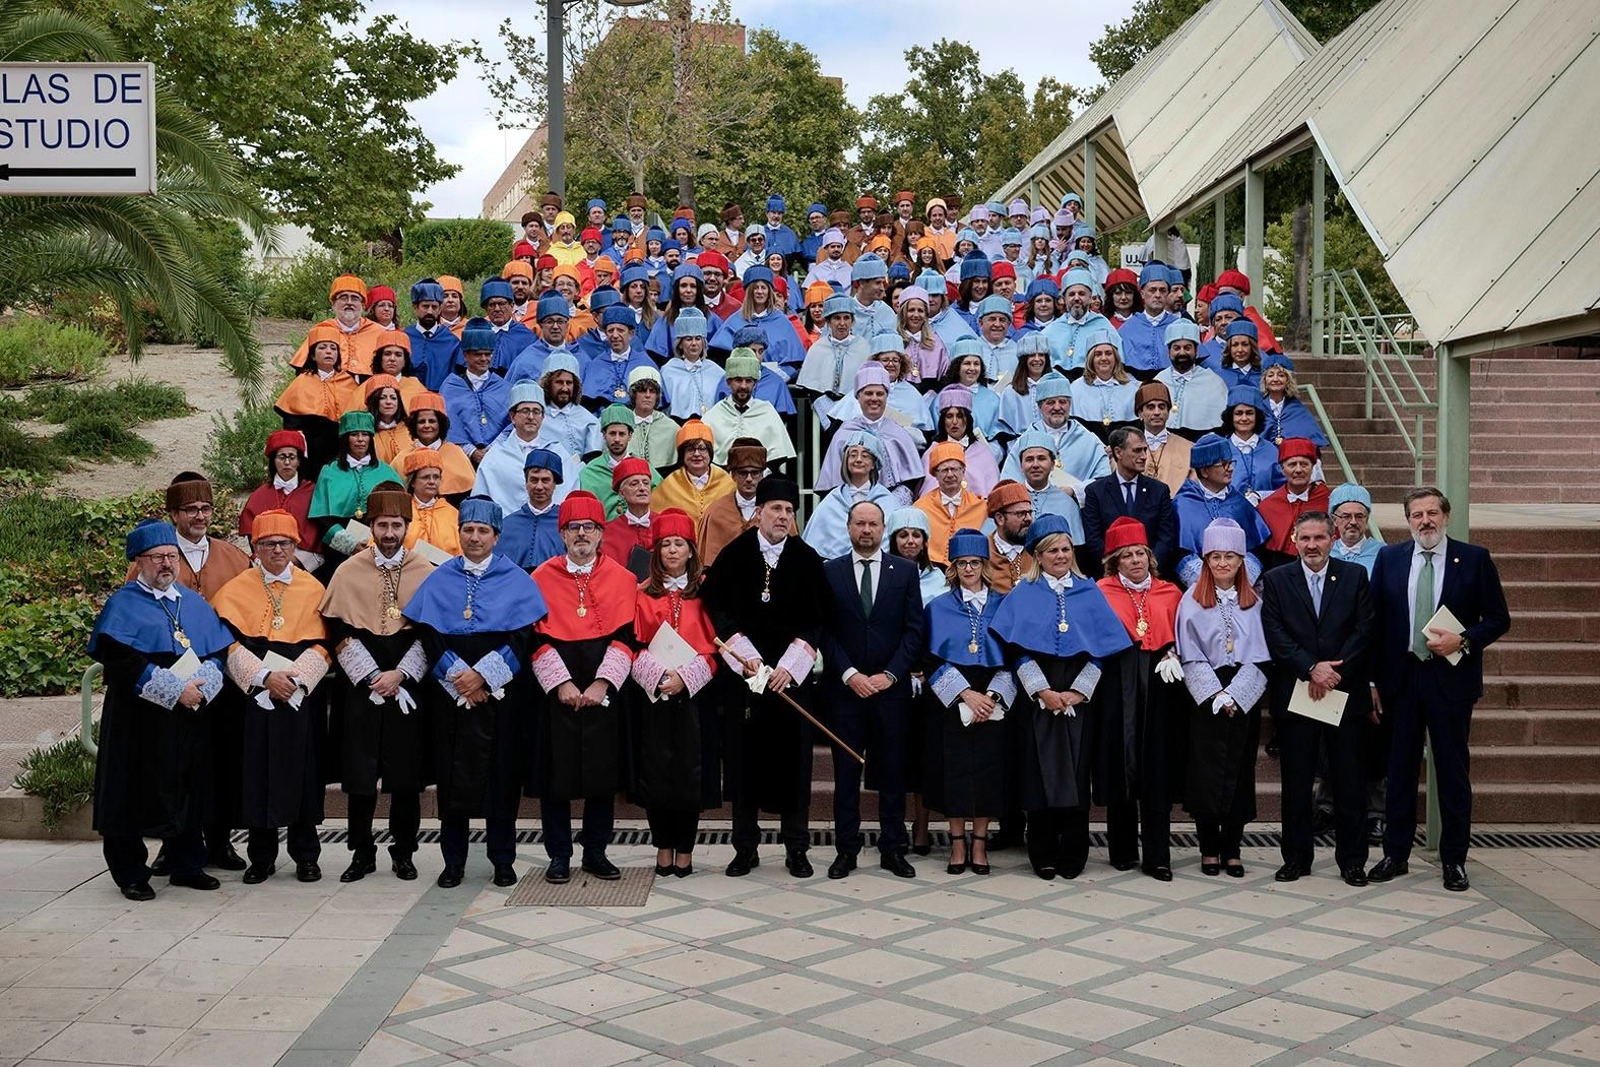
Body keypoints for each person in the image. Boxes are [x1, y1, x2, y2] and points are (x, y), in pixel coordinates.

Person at [1368, 488, 1510, 892]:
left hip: (1450, 680)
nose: (1425, 521)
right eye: (1417, 515)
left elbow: (1499, 618)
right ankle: (1395, 854)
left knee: (1451, 771)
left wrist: (1462, 641)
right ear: (1408, 520)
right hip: (1402, 679)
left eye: (1432, 513)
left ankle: (1454, 860)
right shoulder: (1390, 558)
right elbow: (1376, 623)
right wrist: (1375, 681)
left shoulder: (1475, 559)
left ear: (1446, 516)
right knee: (1398, 772)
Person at [405, 497, 548, 887]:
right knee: (453, 778)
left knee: (502, 776)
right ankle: (454, 862)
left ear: (496, 536)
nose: (475, 537)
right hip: (452, 695)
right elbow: (430, 636)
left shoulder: (516, 579)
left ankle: (502, 859)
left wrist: (484, 677)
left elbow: (521, 639)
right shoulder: (441, 578)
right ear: (459, 533)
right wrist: (458, 677)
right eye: (468, 530)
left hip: (501, 696)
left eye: (483, 531)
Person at [91, 520, 231, 901]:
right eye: (157, 558)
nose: (166, 563)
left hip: (189, 716)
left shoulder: (192, 601)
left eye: (172, 556)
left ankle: (187, 864)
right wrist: (175, 690)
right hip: (139, 719)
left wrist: (204, 681)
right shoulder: (123, 604)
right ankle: (131, 872)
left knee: (190, 786)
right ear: (138, 562)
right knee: (128, 791)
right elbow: (120, 659)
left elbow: (218, 649)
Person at [989, 514, 1130, 879]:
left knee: (1076, 773)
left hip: (1079, 696)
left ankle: (1074, 849)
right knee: (1038, 774)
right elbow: (1014, 649)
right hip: (1037, 694)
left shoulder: (1089, 590)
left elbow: (1102, 649)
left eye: (1066, 548)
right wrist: (1042, 690)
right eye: (1053, 550)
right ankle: (1042, 850)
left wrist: (1078, 692)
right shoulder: (1023, 593)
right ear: (1038, 554)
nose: (1061, 555)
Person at [702, 478, 827, 878]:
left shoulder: (807, 559)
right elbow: (717, 611)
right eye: (776, 509)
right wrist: (751, 662)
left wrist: (789, 667)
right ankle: (745, 848)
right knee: (743, 764)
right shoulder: (733, 556)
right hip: (747, 680)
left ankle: (797, 848)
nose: (783, 517)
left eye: (789, 511)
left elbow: (817, 620)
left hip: (790, 681)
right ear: (758, 513)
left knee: (794, 763)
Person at [318, 487, 436, 883]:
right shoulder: (348, 571)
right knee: (360, 773)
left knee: (406, 774)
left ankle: (404, 851)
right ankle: (360, 851)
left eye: (396, 525)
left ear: (407, 526)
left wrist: (401, 674)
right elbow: (338, 628)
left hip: (408, 681)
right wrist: (372, 676)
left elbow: (431, 632)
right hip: (361, 683)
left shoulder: (425, 570)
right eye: (382, 524)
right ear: (370, 526)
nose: (389, 532)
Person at [211, 510, 332, 884]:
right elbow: (226, 644)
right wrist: (264, 678)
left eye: (285, 543)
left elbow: (325, 643)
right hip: (256, 697)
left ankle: (306, 856)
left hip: (299, 695)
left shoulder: (314, 589)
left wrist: (295, 681)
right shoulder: (234, 589)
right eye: (268, 544)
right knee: (256, 771)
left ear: (296, 546)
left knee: (303, 773)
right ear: (254, 547)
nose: (277, 550)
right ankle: (261, 857)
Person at [527, 491, 637, 884]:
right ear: (561, 534)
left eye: (589, 527)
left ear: (601, 533)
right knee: (557, 778)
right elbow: (535, 639)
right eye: (573, 527)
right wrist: (562, 684)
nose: (581, 534)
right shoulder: (540, 577)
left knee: (601, 776)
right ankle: (559, 855)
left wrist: (603, 684)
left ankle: (596, 851)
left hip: (602, 690)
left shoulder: (623, 580)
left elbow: (627, 637)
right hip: (560, 692)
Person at [1262, 511, 1375, 886]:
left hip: (1344, 692)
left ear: (1334, 538)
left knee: (1349, 781)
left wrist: (1333, 672)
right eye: (1305, 538)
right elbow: (1274, 632)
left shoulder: (1355, 576)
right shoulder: (1277, 580)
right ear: (1295, 540)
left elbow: (1365, 628)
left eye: (1320, 538)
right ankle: (1295, 858)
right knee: (1296, 783)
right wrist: (1311, 668)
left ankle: (1353, 860)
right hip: (1297, 694)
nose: (1312, 545)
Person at [818, 501, 926, 879]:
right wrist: (849, 673)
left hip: (890, 692)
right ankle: (846, 850)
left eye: (874, 524)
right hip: (845, 690)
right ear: (848, 527)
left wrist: (891, 675)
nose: (867, 530)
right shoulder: (829, 571)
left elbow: (914, 632)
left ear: (884, 529)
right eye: (860, 523)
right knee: (845, 773)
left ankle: (893, 848)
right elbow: (825, 632)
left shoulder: (906, 571)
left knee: (893, 772)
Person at [629, 509, 721, 877]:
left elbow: (717, 646)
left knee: (689, 775)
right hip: (652, 696)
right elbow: (631, 644)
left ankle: (685, 849)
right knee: (657, 774)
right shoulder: (640, 594)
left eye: (678, 544)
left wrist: (687, 677)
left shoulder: (706, 591)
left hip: (695, 697)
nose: (671, 551)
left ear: (690, 550)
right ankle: (662, 847)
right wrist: (656, 675)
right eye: (665, 544)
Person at [1176, 518, 1271, 877]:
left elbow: (1260, 655)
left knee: (1239, 770)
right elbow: (1189, 652)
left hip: (1242, 690)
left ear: (1241, 561)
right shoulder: (1192, 600)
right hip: (1206, 692)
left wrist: (1236, 694)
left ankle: (1233, 847)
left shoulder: (1254, 602)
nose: (1223, 564)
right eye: (1215, 557)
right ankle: (1209, 848)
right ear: (1206, 561)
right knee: (1206, 770)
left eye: (1230, 557)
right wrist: (1214, 693)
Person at [1096, 518, 1185, 880]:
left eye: (1140, 554)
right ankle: (1121, 848)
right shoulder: (1100, 591)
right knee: (1121, 760)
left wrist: (1175, 653)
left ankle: (1158, 855)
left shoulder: (1170, 591)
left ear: (1150, 557)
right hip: (1116, 681)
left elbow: (1183, 632)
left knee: (1157, 764)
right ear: (1114, 562)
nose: (1135, 561)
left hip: (1160, 681)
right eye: (1126, 555)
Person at [922, 527, 1013, 875]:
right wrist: (964, 693)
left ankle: (980, 842)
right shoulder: (939, 607)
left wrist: (990, 697)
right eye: (962, 564)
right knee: (954, 770)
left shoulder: (1003, 603)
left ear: (985, 565)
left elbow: (1012, 654)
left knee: (988, 771)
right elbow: (930, 658)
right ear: (954, 568)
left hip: (992, 695)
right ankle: (957, 842)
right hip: (952, 695)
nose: (969, 570)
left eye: (975, 562)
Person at [308, 412, 402, 578]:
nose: (360, 439)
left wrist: (376, 541)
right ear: (345, 439)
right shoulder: (329, 472)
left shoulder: (387, 472)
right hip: (340, 552)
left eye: (365, 434)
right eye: (354, 434)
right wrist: (350, 545)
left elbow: (400, 514)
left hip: (382, 544)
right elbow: (321, 517)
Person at [815, 365, 924, 504]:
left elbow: (912, 480)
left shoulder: (899, 432)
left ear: (886, 397)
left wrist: (892, 502)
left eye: (879, 394)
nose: (874, 398)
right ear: (858, 397)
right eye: (868, 393)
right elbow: (831, 483)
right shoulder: (843, 433)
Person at [1172, 434, 1271, 585]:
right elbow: (1180, 552)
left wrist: (1241, 580)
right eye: (1223, 464)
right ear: (1205, 471)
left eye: (1231, 463)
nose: (1230, 469)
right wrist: (1207, 583)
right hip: (1199, 588)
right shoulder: (1183, 504)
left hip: (1241, 585)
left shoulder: (1238, 501)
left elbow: (1256, 546)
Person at [1082, 426, 1178, 571]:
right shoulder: (1095, 491)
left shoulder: (1159, 490)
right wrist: (1115, 568)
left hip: (1151, 574)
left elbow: (1165, 537)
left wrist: (1148, 568)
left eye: (1145, 450)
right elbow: (1094, 539)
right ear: (1118, 452)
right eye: (1137, 450)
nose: (1144, 456)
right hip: (1110, 575)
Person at [472, 382, 576, 516]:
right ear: (512, 417)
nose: (531, 417)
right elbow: (481, 501)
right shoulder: (495, 456)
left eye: (536, 411)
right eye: (525, 411)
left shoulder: (558, 452)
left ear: (542, 417)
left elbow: (568, 493)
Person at [999, 371, 1111, 493]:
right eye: (1050, 402)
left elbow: (1103, 480)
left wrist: (1074, 491)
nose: (1057, 407)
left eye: (1062, 402)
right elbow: (1009, 483)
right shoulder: (1025, 441)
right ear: (1040, 406)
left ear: (1070, 404)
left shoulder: (1089, 440)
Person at [277, 324, 359, 476]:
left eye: (333, 348)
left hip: (341, 450)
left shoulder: (349, 383)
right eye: (322, 347)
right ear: (313, 355)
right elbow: (291, 424)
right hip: (310, 454)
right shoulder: (301, 382)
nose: (328, 351)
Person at [804, 431, 897, 559]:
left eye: (865, 456)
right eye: (853, 455)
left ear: (874, 464)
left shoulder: (888, 501)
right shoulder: (832, 500)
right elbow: (814, 544)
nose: (858, 460)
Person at [241, 430, 322, 572]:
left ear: (299, 461)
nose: (287, 462)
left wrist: (295, 561)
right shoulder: (259, 495)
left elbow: (318, 534)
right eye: (281, 457)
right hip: (266, 562)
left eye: (292, 457)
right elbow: (251, 535)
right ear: (273, 461)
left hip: (303, 564)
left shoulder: (314, 492)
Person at [703, 349, 797, 465]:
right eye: (738, 380)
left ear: (755, 384)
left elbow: (778, 455)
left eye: (748, 381)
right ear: (728, 382)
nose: (743, 386)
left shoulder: (766, 411)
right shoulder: (714, 415)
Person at [440, 322, 511, 465]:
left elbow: (512, 422)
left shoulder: (504, 387)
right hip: (461, 458)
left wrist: (492, 449)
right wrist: (471, 451)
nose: (484, 359)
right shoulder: (451, 386)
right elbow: (448, 422)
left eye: (488, 354)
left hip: (499, 456)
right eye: (478, 354)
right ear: (466, 355)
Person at [1006, 432, 1087, 551]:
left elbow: (1075, 549)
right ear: (1021, 466)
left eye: (1041, 458)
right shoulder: (1009, 499)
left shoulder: (1066, 503)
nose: (1035, 465)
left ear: (1053, 464)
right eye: (1029, 459)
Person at [1257, 438, 1332, 566]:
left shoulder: (1329, 500)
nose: (1298, 470)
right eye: (1292, 464)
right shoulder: (1267, 506)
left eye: (1304, 464)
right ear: (1282, 469)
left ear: (1313, 467)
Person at [912, 442, 988, 566]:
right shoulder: (920, 508)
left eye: (954, 469)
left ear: (963, 471)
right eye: (944, 470)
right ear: (935, 474)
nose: (950, 474)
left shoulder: (981, 507)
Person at [696, 437, 766, 565]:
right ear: (733, 475)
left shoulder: (776, 511)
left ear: (762, 475)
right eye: (743, 473)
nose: (749, 479)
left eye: (755, 473)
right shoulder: (715, 513)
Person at [1154, 320, 1228, 439]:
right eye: (1177, 348)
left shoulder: (1213, 382)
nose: (1182, 352)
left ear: (1196, 351)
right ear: (1169, 352)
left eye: (1187, 348)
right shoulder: (1158, 381)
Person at [496, 448, 568, 571]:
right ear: (526, 482)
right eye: (534, 480)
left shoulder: (566, 524)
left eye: (545, 480)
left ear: (554, 483)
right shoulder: (506, 525)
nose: (539, 486)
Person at [578, 405, 656, 517]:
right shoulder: (590, 472)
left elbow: (660, 499)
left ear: (630, 436)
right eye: (612, 433)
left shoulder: (644, 467)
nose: (617, 439)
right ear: (604, 435)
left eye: (622, 434)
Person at [924, 385, 1001, 497]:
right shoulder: (932, 452)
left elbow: (992, 492)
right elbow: (928, 491)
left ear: (968, 420)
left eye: (960, 416)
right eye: (949, 416)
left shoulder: (983, 452)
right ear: (943, 420)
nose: (955, 422)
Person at [650, 419, 732, 522]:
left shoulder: (727, 482)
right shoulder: (669, 485)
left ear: (710, 453)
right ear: (682, 455)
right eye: (691, 449)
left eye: (702, 449)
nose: (697, 454)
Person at [1069, 328, 1140, 438]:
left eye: (1108, 353)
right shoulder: (1076, 388)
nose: (1103, 358)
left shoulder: (1132, 388)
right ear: (1091, 359)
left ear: (1116, 358)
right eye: (1098, 354)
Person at [1042, 268, 1112, 376]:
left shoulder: (1104, 326)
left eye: (1081, 293)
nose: (1076, 298)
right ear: (1064, 299)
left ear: (1090, 298)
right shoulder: (1051, 330)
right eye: (1071, 294)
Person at [1116, 263, 1179, 379]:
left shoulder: (1179, 326)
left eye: (1162, 290)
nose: (1157, 295)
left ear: (1168, 294)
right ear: (1142, 294)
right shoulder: (1126, 329)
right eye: (1152, 290)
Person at [1224, 386, 1284, 504]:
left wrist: (1261, 496)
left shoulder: (1272, 451)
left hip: (1265, 514)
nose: (1244, 418)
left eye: (1250, 413)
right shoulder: (1220, 449)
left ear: (1257, 416)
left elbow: (1283, 489)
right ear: (1231, 416)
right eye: (1238, 413)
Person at [601, 457, 657, 575]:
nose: (642, 488)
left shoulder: (663, 524)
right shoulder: (608, 532)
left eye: (646, 483)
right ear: (621, 493)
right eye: (634, 484)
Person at [1136, 382, 1193, 497]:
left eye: (1162, 407)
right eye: (1150, 407)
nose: (1157, 412)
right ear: (1140, 413)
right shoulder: (1128, 447)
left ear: (1168, 412)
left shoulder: (1189, 448)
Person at [405, 279, 463, 392]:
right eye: (425, 306)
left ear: (440, 308)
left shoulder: (451, 342)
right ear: (415, 307)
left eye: (434, 307)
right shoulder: (405, 337)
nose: (430, 312)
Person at [1259, 354, 1329, 446]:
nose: (1275, 379)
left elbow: (1310, 443)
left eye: (1281, 375)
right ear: (1265, 380)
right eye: (1270, 375)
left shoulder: (1298, 410)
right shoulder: (1258, 409)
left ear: (1288, 380)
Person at [981, 479, 1035, 593]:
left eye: (1030, 513)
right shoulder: (981, 552)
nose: (1028, 519)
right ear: (1000, 518)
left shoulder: (1038, 549)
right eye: (1020, 514)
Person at [1329, 483, 1382, 573]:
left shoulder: (1382, 553)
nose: (1353, 522)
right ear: (1334, 520)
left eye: (1359, 516)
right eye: (1346, 516)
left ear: (1367, 519)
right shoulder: (1326, 552)